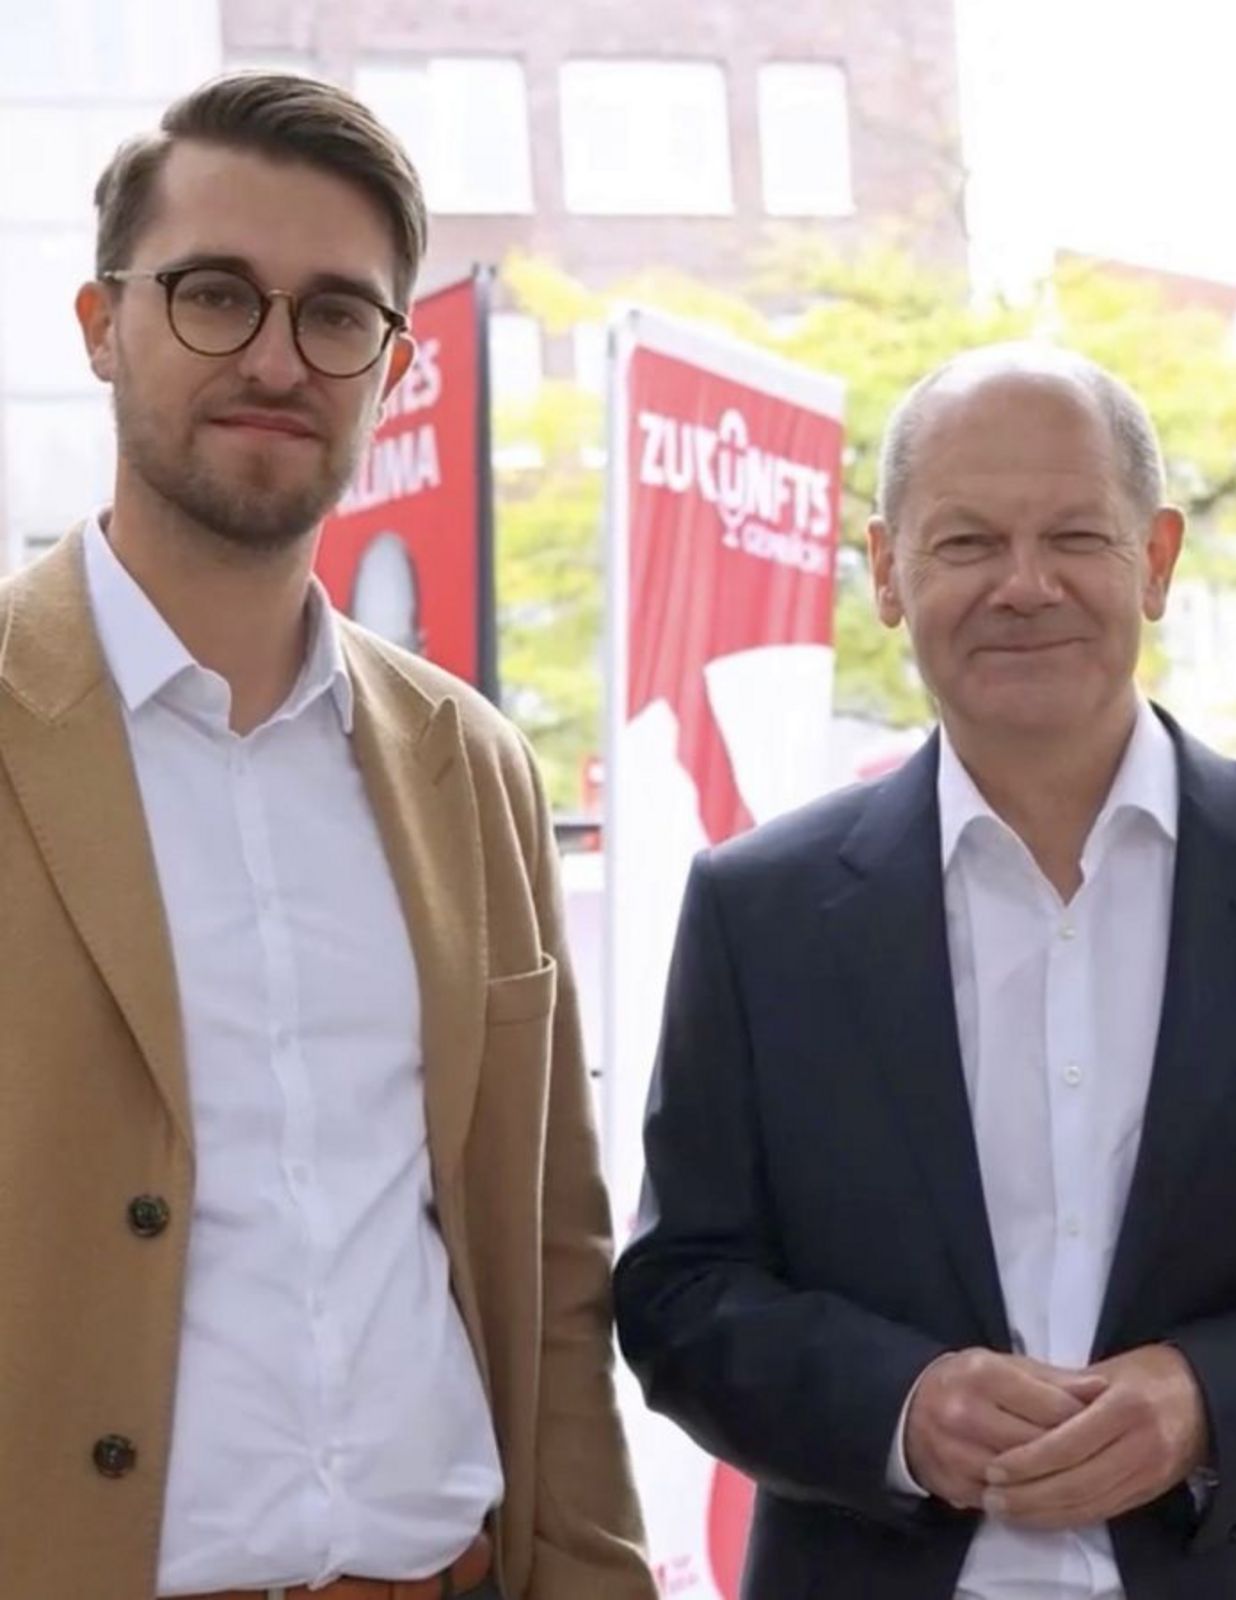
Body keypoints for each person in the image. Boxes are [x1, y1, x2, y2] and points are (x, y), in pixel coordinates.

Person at [613, 342, 1236, 1599]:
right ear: (885, 571)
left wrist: (1208, 1399)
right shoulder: (757, 911)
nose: (1023, 585)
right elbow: (679, 1290)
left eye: (1075, 536)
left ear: (1157, 559)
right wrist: (899, 1407)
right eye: (966, 542)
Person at [0, 72, 652, 1600]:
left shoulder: (471, 769)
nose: (278, 358)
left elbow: (555, 1267)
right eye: (216, 293)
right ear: (101, 325)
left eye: (338, 314)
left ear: (392, 367)